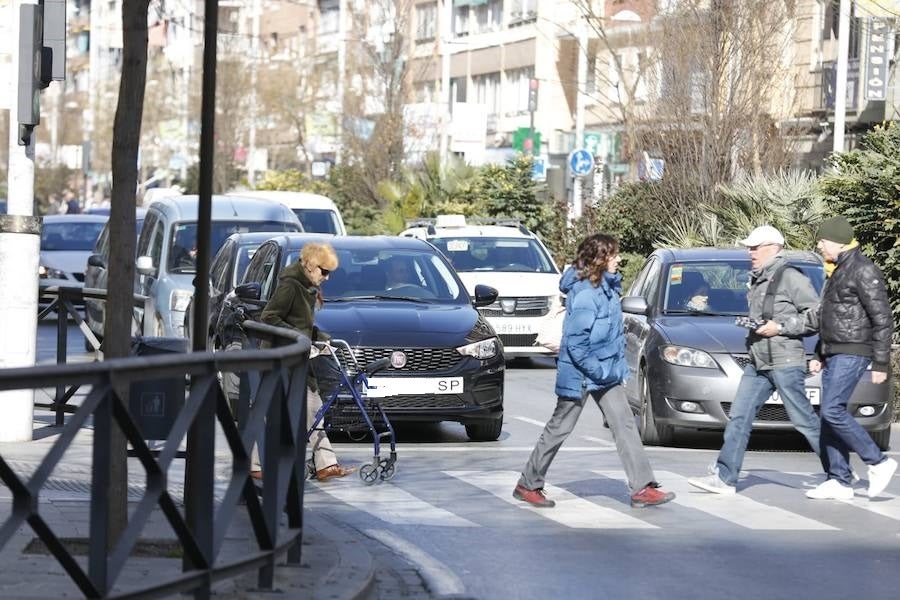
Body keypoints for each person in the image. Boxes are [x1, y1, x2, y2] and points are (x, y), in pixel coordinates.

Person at [513, 233, 675, 509]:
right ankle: (528, 483)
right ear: (600, 260)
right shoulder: (587, 294)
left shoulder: (607, 287)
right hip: (581, 373)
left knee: (624, 424)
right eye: (614, 255)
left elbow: (610, 334)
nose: (619, 259)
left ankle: (643, 487)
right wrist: (600, 370)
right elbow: (576, 345)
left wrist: (612, 368)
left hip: (603, 372)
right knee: (560, 427)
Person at [689, 225, 824, 495]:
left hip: (785, 361)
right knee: (739, 415)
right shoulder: (759, 277)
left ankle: (839, 472)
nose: (749, 252)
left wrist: (781, 326)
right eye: (749, 247)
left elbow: (817, 316)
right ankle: (725, 477)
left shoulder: (791, 277)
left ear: (772, 249)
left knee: (804, 420)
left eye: (754, 247)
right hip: (759, 361)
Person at [805, 216, 896, 500]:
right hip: (836, 351)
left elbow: (882, 318)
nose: (819, 246)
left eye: (821, 241)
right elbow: (831, 317)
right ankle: (839, 480)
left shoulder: (862, 269)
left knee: (832, 410)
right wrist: (821, 352)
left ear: (835, 241)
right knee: (828, 415)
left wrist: (881, 362)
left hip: (854, 350)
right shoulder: (837, 269)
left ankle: (878, 462)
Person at [258, 242, 355, 482]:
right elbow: (269, 317)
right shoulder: (291, 286)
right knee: (269, 413)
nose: (327, 277)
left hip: (296, 358)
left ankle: (326, 465)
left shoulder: (307, 287)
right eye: (324, 271)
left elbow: (302, 324)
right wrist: (299, 337)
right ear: (311, 266)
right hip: (280, 358)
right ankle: (253, 464)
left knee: (313, 408)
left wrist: (322, 340)